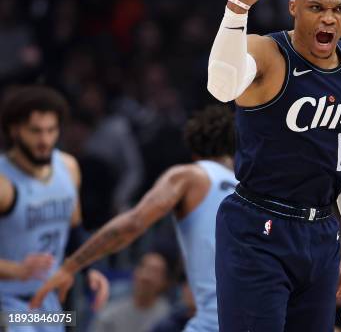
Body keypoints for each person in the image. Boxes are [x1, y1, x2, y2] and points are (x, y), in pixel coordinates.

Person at [207, 0, 341, 331]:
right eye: (316, 7)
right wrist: (237, 7)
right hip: (258, 228)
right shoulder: (267, 54)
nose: (329, 18)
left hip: (320, 233)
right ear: (293, 9)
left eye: (339, 9)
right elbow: (220, 86)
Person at [30, 105, 238, 332]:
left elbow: (133, 223)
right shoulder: (251, 191)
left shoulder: (191, 175)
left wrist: (70, 267)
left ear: (194, 150)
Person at [0, 85, 108, 332]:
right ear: (14, 130)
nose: (45, 140)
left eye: (51, 130)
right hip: (7, 305)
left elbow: (74, 230)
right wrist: (16, 270)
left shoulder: (68, 167)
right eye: (35, 131)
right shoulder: (4, 183)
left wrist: (89, 268)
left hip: (49, 302)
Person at [90, 252, 171, 332]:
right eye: (144, 268)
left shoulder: (168, 318)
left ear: (165, 282)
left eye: (155, 272)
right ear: (135, 273)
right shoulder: (109, 313)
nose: (147, 277)